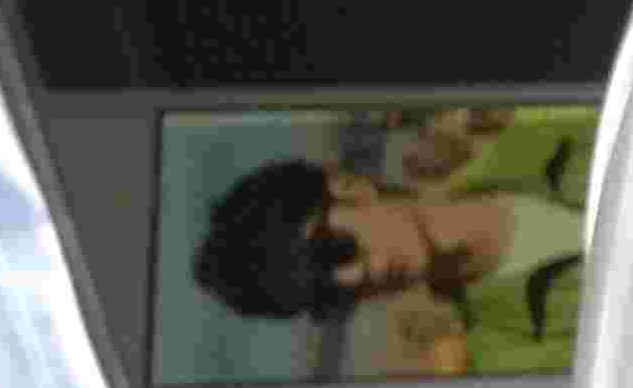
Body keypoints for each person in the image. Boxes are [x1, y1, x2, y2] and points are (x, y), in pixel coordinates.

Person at [191, 143, 589, 375]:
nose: (357, 277)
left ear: (347, 185)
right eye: (331, 296)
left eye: (333, 249)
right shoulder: (514, 359)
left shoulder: (550, 127)